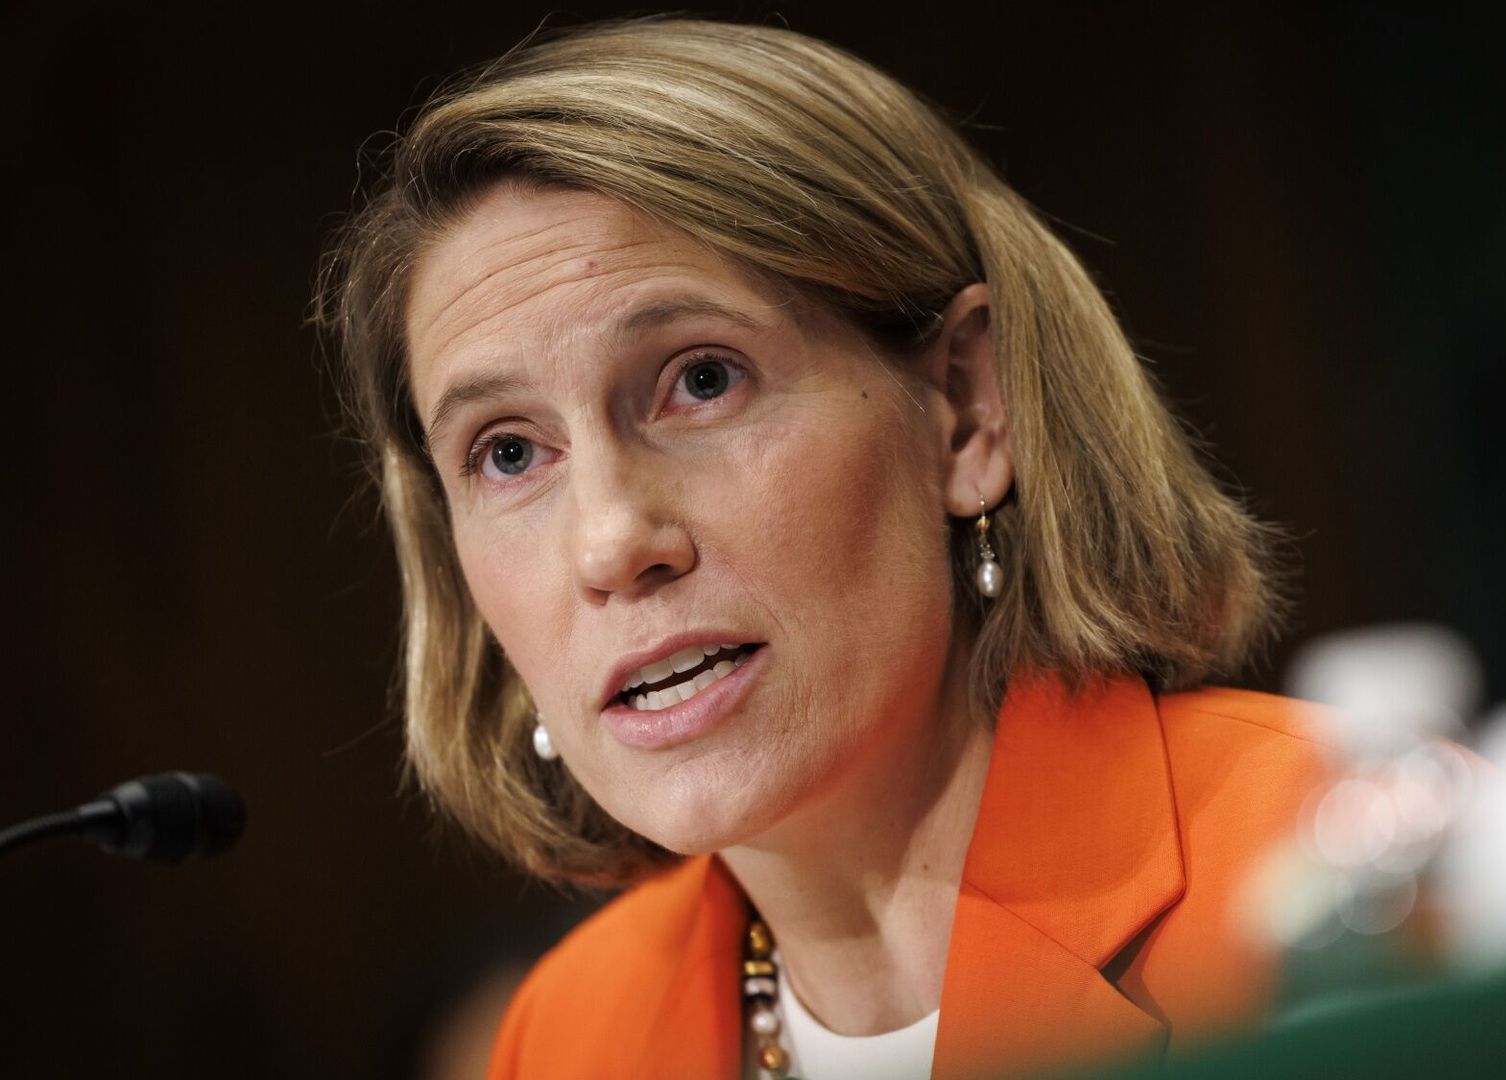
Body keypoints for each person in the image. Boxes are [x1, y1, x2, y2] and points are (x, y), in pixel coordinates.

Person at [318, 16, 1331, 1079]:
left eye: (702, 380)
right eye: (510, 452)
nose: (612, 542)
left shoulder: (1334, 866)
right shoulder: (569, 1040)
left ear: (965, 408)